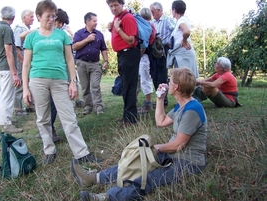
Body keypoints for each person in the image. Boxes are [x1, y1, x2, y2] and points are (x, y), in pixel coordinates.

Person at [71, 67, 208, 201]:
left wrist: (156, 148)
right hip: (173, 155)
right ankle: (93, 178)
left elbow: (178, 145)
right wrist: (160, 99)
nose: (168, 83)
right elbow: (161, 121)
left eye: (170, 81)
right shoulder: (182, 105)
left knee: (148, 179)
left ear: (176, 87)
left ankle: (106, 197)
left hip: (188, 162)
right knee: (135, 160)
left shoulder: (192, 110)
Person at [22, 0, 100, 164]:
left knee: (69, 117)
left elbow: (70, 60)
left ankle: (82, 153)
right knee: (43, 118)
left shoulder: (62, 35)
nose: (51, 19)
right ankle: (49, 151)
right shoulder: (31, 37)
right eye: (48, 16)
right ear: (38, 16)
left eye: (53, 16)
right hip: (38, 80)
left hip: (60, 80)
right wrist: (25, 88)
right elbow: (26, 64)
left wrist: (73, 81)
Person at [106, 0, 140, 127]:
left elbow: (131, 40)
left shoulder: (127, 18)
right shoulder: (117, 18)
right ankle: (127, 116)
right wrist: (112, 29)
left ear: (122, 4)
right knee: (125, 87)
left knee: (129, 87)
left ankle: (131, 120)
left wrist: (118, 28)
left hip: (129, 54)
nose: (113, 8)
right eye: (111, 6)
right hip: (123, 55)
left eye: (115, 5)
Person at [0, 6, 23, 133]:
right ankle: (6, 123)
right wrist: (15, 73)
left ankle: (3, 118)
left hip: (1, 66)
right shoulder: (6, 29)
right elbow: (9, 52)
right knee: (7, 95)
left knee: (2, 94)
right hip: (7, 66)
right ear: (13, 17)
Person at [73, 12, 108, 115]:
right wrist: (87, 40)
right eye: (94, 21)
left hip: (95, 64)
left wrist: (106, 60)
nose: (96, 23)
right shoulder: (79, 33)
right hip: (81, 63)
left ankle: (99, 108)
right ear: (87, 21)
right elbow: (74, 46)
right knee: (85, 87)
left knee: (95, 86)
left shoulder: (99, 34)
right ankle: (88, 106)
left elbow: (104, 49)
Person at [150, 2, 176, 106]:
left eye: (153, 11)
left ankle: (163, 99)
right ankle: (160, 96)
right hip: (154, 50)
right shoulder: (153, 22)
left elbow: (176, 31)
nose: (152, 14)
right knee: (154, 74)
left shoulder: (167, 20)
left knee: (161, 75)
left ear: (159, 10)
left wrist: (171, 44)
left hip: (163, 50)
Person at [166, 0, 199, 78]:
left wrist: (184, 40)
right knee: (184, 79)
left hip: (183, 55)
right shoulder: (182, 20)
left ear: (174, 10)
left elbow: (186, 31)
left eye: (172, 10)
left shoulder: (181, 20)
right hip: (181, 54)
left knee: (184, 79)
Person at [13, 9, 35, 116]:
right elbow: (17, 47)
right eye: (31, 16)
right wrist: (21, 60)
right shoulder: (19, 29)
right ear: (24, 17)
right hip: (21, 60)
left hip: (28, 59)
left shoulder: (28, 29)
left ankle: (30, 105)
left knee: (30, 82)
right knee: (21, 84)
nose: (33, 19)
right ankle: (18, 108)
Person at [137, 7, 156, 114]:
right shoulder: (152, 25)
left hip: (144, 56)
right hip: (149, 56)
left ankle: (148, 103)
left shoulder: (146, 26)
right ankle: (147, 102)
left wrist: (138, 55)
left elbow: (144, 43)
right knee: (145, 79)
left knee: (145, 79)